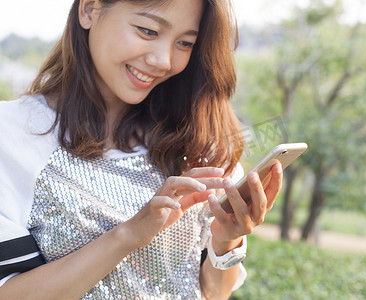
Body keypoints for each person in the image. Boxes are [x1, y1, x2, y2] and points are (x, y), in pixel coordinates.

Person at [0, 0, 283, 299]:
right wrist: (129, 234)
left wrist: (226, 242)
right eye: (148, 31)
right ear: (89, 10)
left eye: (185, 42)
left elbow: (212, 294)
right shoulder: (12, 134)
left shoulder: (200, 138)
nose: (163, 60)